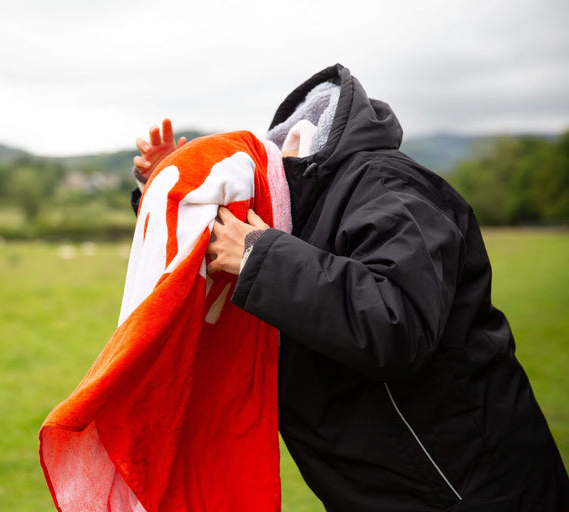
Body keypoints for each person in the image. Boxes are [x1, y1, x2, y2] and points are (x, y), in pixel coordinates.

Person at [131, 64, 569, 511]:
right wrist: (174, 188)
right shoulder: (294, 211)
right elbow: (219, 251)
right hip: (380, 489)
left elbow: (398, 323)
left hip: (468, 490)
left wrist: (258, 255)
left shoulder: (387, 186)